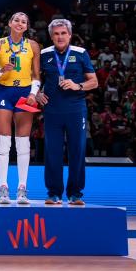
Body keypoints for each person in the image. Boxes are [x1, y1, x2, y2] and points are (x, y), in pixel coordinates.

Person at [37, 18, 98, 205]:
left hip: (75, 111)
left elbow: (94, 82)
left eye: (63, 33)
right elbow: (34, 80)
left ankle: (76, 194)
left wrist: (77, 85)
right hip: (52, 111)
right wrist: (38, 93)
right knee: (52, 152)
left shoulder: (81, 53)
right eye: (56, 34)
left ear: (70, 35)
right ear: (51, 36)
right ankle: (53, 193)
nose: (60, 36)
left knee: (77, 151)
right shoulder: (44, 54)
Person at [0, 12, 41, 205]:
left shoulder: (33, 46)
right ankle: (3, 187)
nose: (20, 23)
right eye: (16, 20)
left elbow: (36, 75)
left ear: (27, 26)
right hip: (4, 93)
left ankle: (22, 188)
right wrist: (1, 71)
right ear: (10, 23)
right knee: (3, 141)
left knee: (23, 142)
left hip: (25, 94)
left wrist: (33, 94)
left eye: (24, 21)